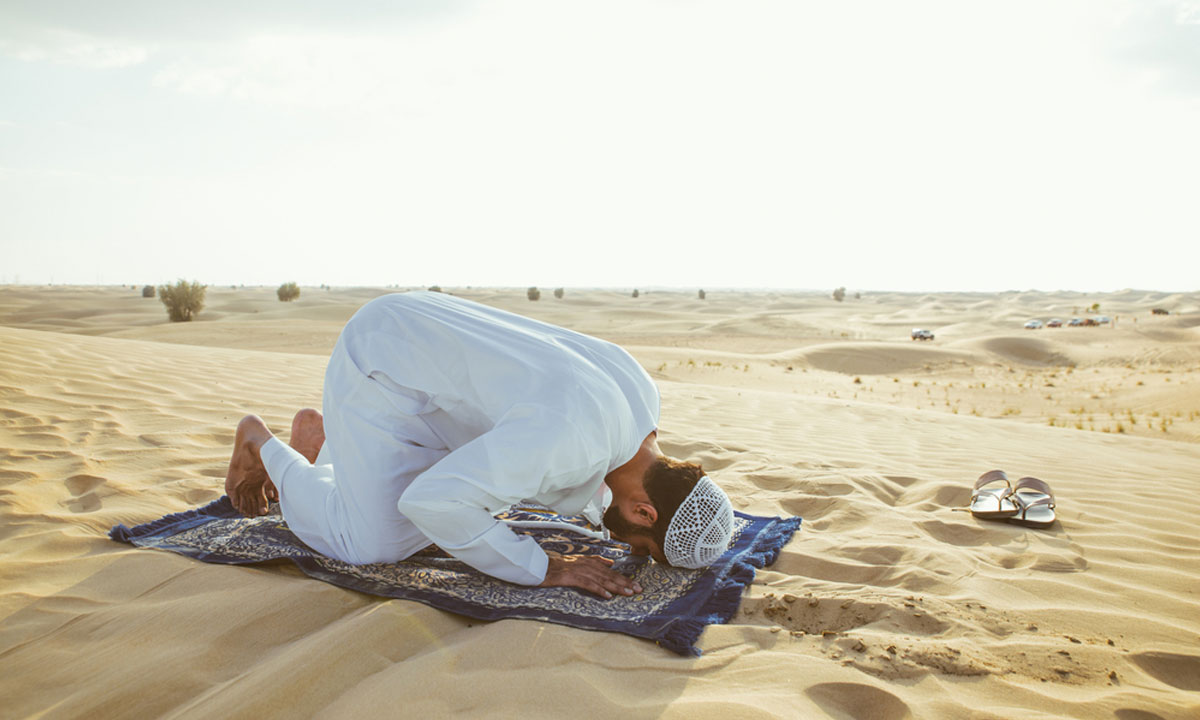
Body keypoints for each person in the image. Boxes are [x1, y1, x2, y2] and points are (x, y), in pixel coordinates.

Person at [224, 291, 734, 599]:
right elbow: (430, 502)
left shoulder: (642, 398)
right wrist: (547, 568)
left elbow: (578, 467)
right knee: (374, 541)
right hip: (379, 368)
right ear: (645, 512)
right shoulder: (563, 441)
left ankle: (328, 439)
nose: (623, 549)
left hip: (425, 360)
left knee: (477, 499)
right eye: (638, 546)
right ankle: (263, 445)